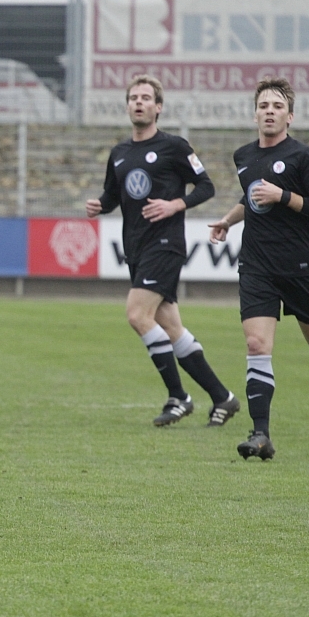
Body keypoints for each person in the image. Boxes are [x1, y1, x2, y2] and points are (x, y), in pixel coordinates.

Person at [209, 77, 309, 461]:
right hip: (257, 265)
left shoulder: (304, 156)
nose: (270, 112)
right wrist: (228, 220)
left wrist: (284, 196)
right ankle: (260, 434)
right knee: (256, 345)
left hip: (299, 265)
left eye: (277, 106)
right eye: (264, 106)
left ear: (289, 116)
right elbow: (251, 198)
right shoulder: (243, 156)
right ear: (255, 113)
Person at [86, 75, 240, 427]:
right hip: (136, 248)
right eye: (133, 98)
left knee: (137, 315)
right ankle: (223, 397)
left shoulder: (174, 147)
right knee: (171, 327)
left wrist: (175, 205)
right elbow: (113, 196)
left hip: (166, 244)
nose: (139, 102)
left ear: (158, 107)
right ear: (127, 106)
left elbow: (207, 187)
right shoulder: (119, 153)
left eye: (146, 97)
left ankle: (179, 397)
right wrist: (100, 205)